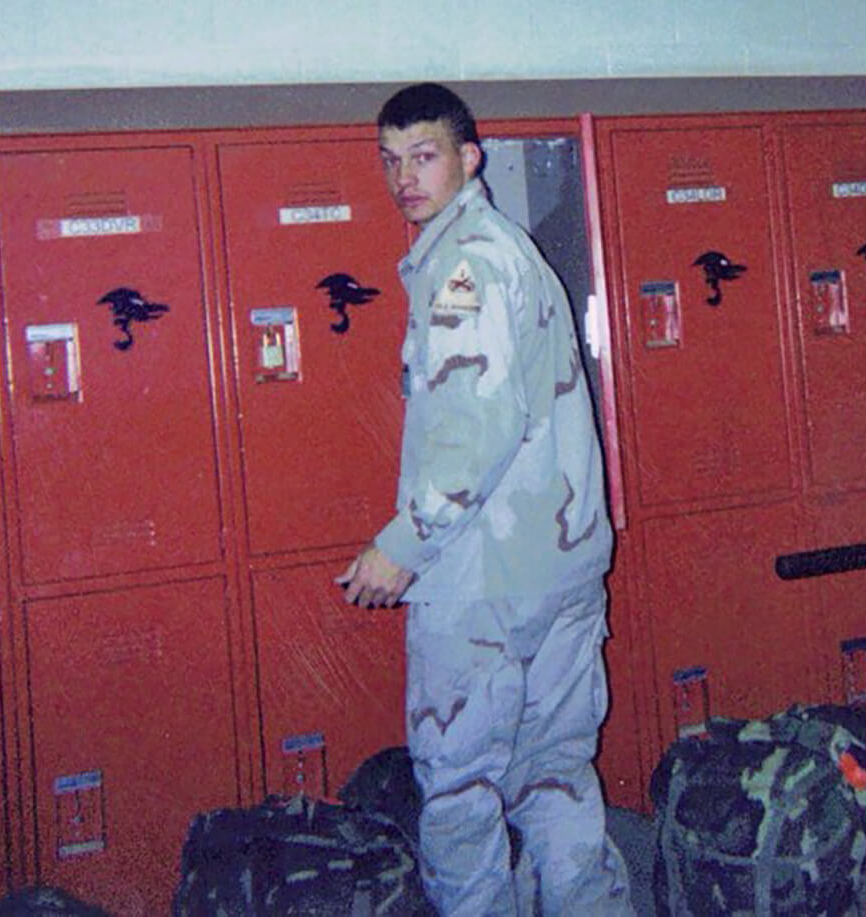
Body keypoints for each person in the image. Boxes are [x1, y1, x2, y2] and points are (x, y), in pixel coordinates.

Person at [337, 82, 633, 916]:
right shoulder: (506, 248)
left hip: (485, 582)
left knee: (462, 791)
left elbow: (475, 423)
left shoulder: (465, 260)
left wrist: (403, 543)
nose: (404, 178)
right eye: (390, 162)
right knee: (555, 775)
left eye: (423, 156)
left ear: (470, 159)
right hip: (560, 569)